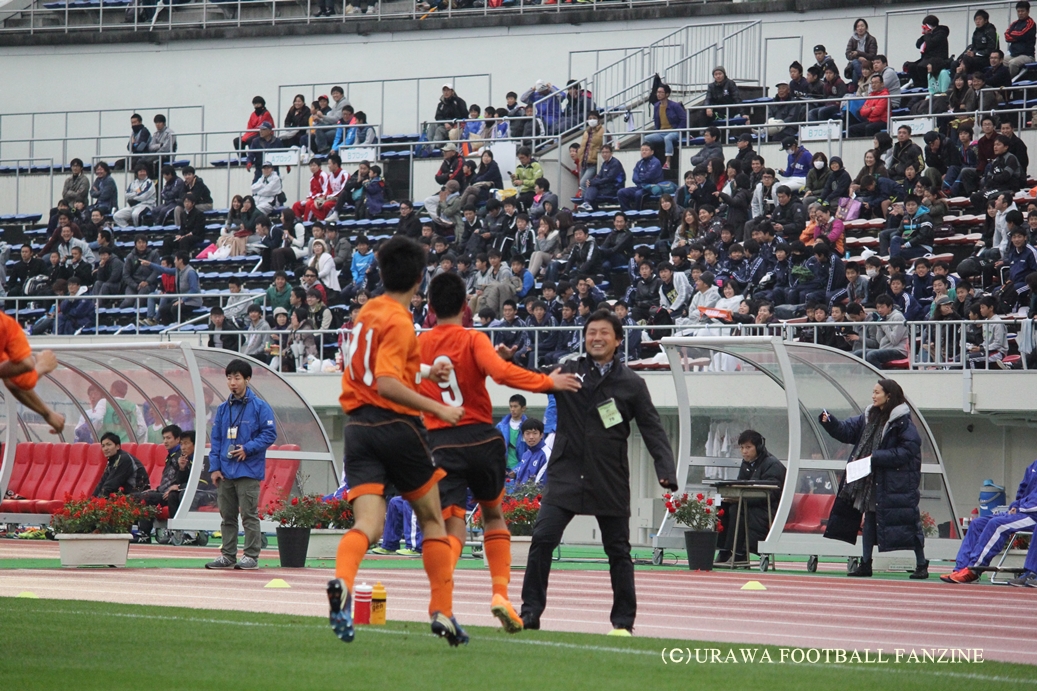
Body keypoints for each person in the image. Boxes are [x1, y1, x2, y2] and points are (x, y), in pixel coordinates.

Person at [418, 272, 580, 633]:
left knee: (452, 524)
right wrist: (546, 382)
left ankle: (442, 601)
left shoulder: (420, 346)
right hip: (482, 439)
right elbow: (502, 375)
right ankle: (500, 595)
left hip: (444, 444)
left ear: (429, 308)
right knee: (493, 515)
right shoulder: (473, 338)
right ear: (465, 306)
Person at [331, 236, 467, 646]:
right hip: (398, 429)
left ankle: (342, 581)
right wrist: (439, 408)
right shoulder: (400, 320)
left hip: (358, 429)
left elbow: (378, 368)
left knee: (367, 525)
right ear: (420, 278)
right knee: (433, 520)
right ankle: (441, 610)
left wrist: (424, 371)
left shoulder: (368, 311)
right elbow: (388, 383)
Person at [520, 310, 678, 635]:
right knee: (542, 539)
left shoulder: (631, 384)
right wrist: (509, 361)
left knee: (619, 552)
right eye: (592, 332)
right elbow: (533, 379)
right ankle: (529, 613)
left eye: (604, 332)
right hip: (565, 473)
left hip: (609, 477)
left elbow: (652, 429)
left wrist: (666, 471)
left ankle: (623, 622)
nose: (596, 338)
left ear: (618, 340)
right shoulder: (569, 372)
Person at [820, 379, 929, 579]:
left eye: (877, 392)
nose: (873, 396)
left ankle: (921, 564)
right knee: (869, 517)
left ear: (889, 395)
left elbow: (908, 450)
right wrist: (831, 422)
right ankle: (866, 563)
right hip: (873, 480)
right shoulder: (869, 416)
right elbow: (846, 430)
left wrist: (877, 457)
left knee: (908, 520)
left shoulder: (903, 421)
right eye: (873, 392)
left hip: (897, 483)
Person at [204, 359, 277, 571]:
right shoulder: (223, 409)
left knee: (248, 515)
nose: (232, 382)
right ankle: (227, 555)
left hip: (248, 470)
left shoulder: (260, 407)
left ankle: (251, 556)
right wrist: (214, 468)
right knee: (227, 516)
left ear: (247, 379)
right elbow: (216, 440)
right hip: (226, 470)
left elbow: (269, 434)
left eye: (237, 378)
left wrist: (248, 448)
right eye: (229, 378)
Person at [941, 456, 1037, 584]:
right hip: (1022, 511)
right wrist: (1015, 505)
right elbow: (1023, 491)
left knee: (997, 524)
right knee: (977, 523)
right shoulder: (1033, 466)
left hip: (1032, 516)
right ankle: (960, 568)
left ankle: (974, 569)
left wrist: (1019, 508)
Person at [716, 430, 786, 563]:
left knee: (736, 509)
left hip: (768, 509)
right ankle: (724, 549)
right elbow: (741, 485)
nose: (744, 451)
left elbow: (772, 494)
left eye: (748, 447)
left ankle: (739, 552)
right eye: (742, 447)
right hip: (750, 504)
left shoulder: (772, 464)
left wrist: (742, 499)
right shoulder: (746, 464)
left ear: (759, 447)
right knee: (723, 506)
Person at [0, 312, 65, 434]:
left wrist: (47, 412)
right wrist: (41, 366)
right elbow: (24, 365)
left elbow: (14, 380)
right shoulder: (5, 324)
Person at [133, 424, 187, 543]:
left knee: (146, 497)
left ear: (178, 439)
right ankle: (134, 530)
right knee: (136, 496)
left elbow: (181, 478)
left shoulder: (181, 457)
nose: (165, 441)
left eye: (169, 438)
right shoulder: (170, 456)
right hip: (163, 493)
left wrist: (176, 488)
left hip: (174, 495)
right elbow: (168, 479)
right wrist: (156, 490)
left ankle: (144, 534)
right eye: (164, 438)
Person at [92, 432, 149, 498]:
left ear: (117, 446)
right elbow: (102, 483)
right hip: (125, 496)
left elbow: (111, 484)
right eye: (103, 446)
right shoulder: (111, 461)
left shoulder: (124, 459)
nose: (105, 448)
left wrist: (97, 502)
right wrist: (91, 500)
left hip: (137, 496)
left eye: (109, 445)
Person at [645, 83, 687, 171]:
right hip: (661, 132)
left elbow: (684, 118)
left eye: (661, 92)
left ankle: (667, 162)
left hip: (674, 131)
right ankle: (650, 160)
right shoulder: (656, 106)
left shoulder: (675, 106)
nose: (658, 94)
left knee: (668, 138)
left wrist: (679, 129)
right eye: (657, 92)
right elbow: (657, 121)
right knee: (646, 138)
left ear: (667, 94)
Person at [1005, 1, 1037, 78]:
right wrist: (1018, 37)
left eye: (1022, 11)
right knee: (1001, 61)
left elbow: (1021, 34)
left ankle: (1009, 84)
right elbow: (1006, 35)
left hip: (1027, 55)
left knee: (1013, 63)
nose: (1020, 13)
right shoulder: (1014, 23)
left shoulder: (1031, 23)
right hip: (1014, 54)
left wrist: (1014, 35)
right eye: (1018, 11)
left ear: (1028, 11)